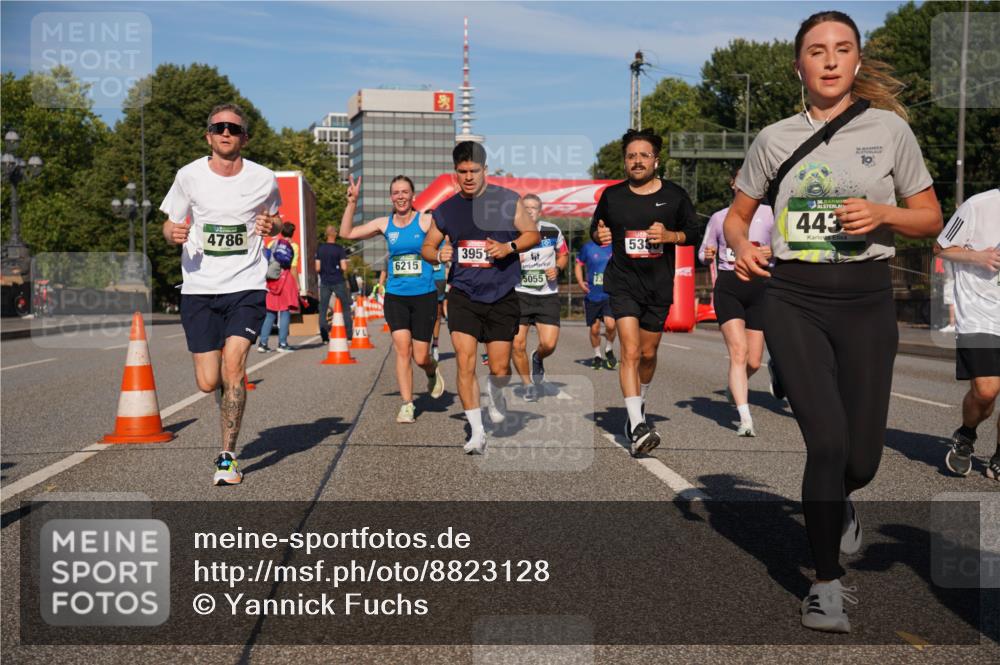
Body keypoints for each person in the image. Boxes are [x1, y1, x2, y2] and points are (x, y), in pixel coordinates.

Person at [724, 11, 942, 633]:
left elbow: (930, 217)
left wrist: (881, 213)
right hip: (793, 297)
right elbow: (738, 217)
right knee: (825, 443)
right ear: (799, 64)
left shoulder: (891, 132)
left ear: (856, 61)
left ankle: (843, 500)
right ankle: (825, 584)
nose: (829, 60)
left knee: (862, 459)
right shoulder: (772, 138)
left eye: (842, 49)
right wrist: (742, 244)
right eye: (816, 50)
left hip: (869, 301)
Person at [161, 103, 283, 486]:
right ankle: (226, 400)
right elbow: (169, 223)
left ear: (244, 137)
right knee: (207, 380)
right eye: (218, 127)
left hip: (246, 286)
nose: (225, 133)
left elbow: (278, 217)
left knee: (234, 365)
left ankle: (227, 457)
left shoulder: (264, 178)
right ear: (208, 135)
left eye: (233, 128)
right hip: (199, 288)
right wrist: (173, 234)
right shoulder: (189, 176)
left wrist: (271, 223)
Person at [421, 141, 540, 454]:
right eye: (463, 172)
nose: (469, 176)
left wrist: (508, 248)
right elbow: (427, 247)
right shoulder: (446, 209)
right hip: (463, 294)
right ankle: (476, 432)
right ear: (455, 174)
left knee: (500, 369)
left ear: (485, 170)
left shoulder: (506, 200)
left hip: (501, 295)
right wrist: (438, 253)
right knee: (465, 361)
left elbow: (532, 234)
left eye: (474, 170)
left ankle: (496, 394)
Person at [591, 128, 702, 457]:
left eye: (643, 155)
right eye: (631, 156)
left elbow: (694, 232)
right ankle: (637, 423)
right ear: (624, 162)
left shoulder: (675, 195)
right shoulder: (612, 196)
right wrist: (600, 236)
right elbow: (596, 230)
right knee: (631, 350)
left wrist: (670, 236)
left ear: (656, 160)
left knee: (649, 354)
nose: (637, 161)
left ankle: (639, 404)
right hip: (623, 282)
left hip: (657, 285)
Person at [340, 175, 445, 423]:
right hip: (396, 296)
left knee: (421, 356)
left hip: (424, 296)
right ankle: (407, 404)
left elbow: (450, 232)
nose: (400, 196)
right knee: (402, 350)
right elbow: (347, 232)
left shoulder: (426, 221)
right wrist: (352, 202)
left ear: (413, 196)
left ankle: (431, 371)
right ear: (391, 197)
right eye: (396, 192)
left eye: (405, 192)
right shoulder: (384, 224)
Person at [699, 170, 775, 436]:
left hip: (760, 287)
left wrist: (773, 250)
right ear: (733, 184)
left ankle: (735, 386)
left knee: (754, 361)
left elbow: (786, 246)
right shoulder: (720, 217)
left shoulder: (771, 214)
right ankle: (745, 419)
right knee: (739, 353)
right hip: (729, 286)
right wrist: (707, 254)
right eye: (741, 178)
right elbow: (703, 251)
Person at [935, 188, 1000, 482]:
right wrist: (979, 257)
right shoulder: (979, 205)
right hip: (980, 315)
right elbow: (941, 248)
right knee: (986, 391)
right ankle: (966, 434)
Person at [512, 194, 569, 402]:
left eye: (533, 207)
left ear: (540, 211)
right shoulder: (512, 232)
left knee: (549, 344)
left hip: (547, 295)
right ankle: (528, 385)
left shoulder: (552, 231)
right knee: (517, 344)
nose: (529, 211)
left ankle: (537, 357)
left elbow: (563, 255)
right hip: (519, 294)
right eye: (525, 207)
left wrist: (557, 268)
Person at [575, 236, 617, 371]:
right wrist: (581, 282)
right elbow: (578, 264)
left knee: (611, 325)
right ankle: (597, 355)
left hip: (610, 294)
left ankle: (609, 348)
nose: (603, 231)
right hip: (592, 295)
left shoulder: (616, 246)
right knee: (594, 330)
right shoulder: (588, 247)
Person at [258, 222, 300, 352]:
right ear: (293, 232)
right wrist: (297, 285)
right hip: (285, 280)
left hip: (271, 281)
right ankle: (282, 343)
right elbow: (292, 268)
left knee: (270, 312)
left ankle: (263, 343)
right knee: (285, 311)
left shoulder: (272, 244)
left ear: (281, 232)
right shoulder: (293, 246)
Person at [315, 225, 352, 344]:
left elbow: (317, 267)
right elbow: (344, 267)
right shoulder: (339, 249)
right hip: (338, 281)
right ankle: (349, 334)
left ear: (326, 234)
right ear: (335, 234)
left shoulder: (320, 249)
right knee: (345, 307)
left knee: (323, 309)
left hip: (325, 282)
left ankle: (325, 337)